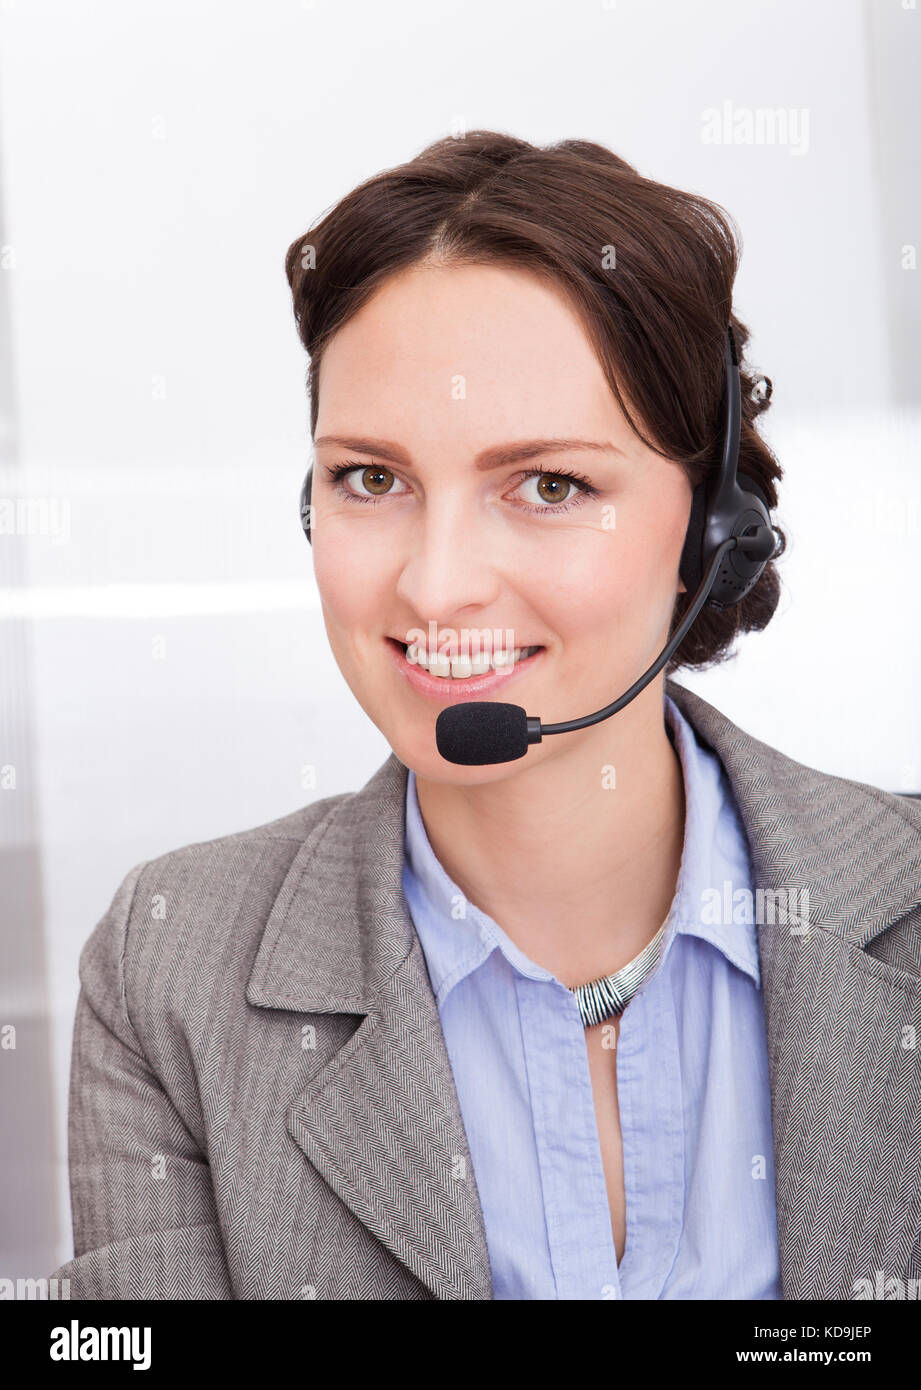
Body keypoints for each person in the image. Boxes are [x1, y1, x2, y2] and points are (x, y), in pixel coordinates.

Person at [53, 132, 921, 1301]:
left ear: (711, 533)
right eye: (373, 478)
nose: (434, 583)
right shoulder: (172, 972)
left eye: (550, 485)